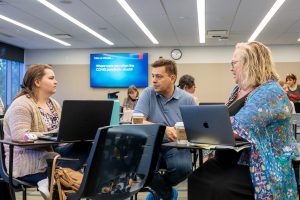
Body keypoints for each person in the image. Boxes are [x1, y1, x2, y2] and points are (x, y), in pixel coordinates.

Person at [188, 41, 298, 199]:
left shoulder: (271, 92)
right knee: (196, 178)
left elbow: (237, 128)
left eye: (234, 63)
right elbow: (224, 121)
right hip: (231, 159)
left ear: (250, 63)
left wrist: (200, 129)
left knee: (219, 187)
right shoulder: (238, 90)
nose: (230, 68)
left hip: (258, 164)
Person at [3, 64, 91, 199]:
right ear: (37, 82)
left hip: (51, 153)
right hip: (27, 162)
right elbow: (20, 136)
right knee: (60, 162)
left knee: (86, 145)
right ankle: (53, 179)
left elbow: (61, 133)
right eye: (51, 78)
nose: (56, 81)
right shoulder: (21, 105)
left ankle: (53, 179)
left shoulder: (54, 104)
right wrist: (49, 135)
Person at [134, 59, 196, 200]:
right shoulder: (147, 93)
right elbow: (137, 121)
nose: (154, 80)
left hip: (176, 145)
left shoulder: (187, 99)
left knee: (183, 169)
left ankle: (159, 189)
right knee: (142, 169)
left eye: (159, 76)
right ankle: (166, 193)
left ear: (172, 78)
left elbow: (195, 128)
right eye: (153, 76)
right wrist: (162, 129)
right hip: (151, 144)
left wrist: (184, 132)